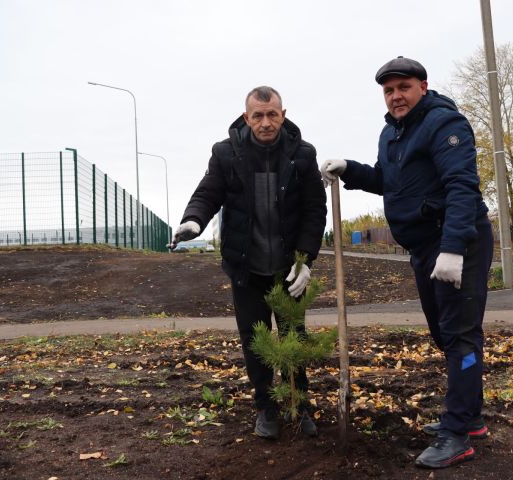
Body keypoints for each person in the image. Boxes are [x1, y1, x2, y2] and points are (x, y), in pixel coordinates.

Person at [321, 57, 493, 469]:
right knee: (446, 334)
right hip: (422, 247)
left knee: (460, 337)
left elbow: (461, 186)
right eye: (389, 90)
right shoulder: (392, 133)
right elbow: (387, 180)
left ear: (423, 86)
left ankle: (457, 434)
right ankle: (470, 416)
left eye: (404, 87)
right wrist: (351, 170)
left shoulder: (444, 124)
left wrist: (453, 248)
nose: (396, 96)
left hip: (456, 242)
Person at [171, 86, 327, 440]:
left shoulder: (302, 154)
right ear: (246, 118)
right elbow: (208, 191)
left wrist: (306, 260)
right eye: (258, 115)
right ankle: (266, 408)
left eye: (272, 114)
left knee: (294, 338)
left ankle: (299, 404)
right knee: (254, 341)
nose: (266, 122)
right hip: (247, 268)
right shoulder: (227, 154)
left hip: (289, 270)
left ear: (283, 114)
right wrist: (194, 220)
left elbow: (315, 210)